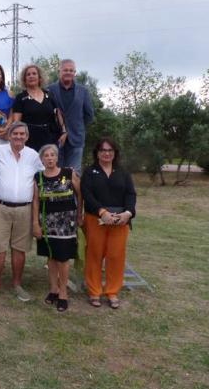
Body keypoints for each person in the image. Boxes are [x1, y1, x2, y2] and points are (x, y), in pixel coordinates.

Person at [0, 122, 44, 303]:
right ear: (9, 135)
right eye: (15, 133)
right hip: (0, 207)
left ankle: (17, 285)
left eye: (22, 134)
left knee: (20, 249)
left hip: (24, 209)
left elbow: (44, 176)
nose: (18, 137)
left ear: (27, 137)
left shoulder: (33, 155)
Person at [81, 138, 136, 310]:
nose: (106, 153)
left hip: (120, 221)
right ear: (97, 153)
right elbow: (87, 195)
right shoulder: (90, 172)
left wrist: (128, 213)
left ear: (115, 153)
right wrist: (102, 212)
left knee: (116, 256)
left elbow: (130, 194)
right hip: (96, 219)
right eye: (103, 150)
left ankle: (112, 292)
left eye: (110, 150)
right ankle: (94, 291)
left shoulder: (123, 173)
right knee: (94, 255)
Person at [32, 144, 82, 312]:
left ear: (57, 157)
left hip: (66, 224)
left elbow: (80, 194)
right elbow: (36, 202)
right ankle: (53, 289)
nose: (50, 158)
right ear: (42, 159)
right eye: (46, 155)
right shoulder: (38, 177)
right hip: (47, 224)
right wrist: (35, 224)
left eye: (53, 155)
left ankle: (63, 293)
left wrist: (80, 214)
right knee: (51, 257)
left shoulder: (68, 173)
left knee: (63, 259)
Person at [48, 59, 95, 175]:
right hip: (55, 139)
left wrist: (78, 127)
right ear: (59, 71)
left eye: (71, 70)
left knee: (74, 173)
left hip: (77, 139)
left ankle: (73, 194)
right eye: (65, 70)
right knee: (55, 172)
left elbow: (89, 114)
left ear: (75, 73)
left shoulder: (83, 91)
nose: (68, 72)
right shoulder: (49, 90)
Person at [12, 64, 67, 152]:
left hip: (50, 138)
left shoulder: (50, 95)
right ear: (24, 79)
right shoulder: (20, 98)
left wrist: (64, 132)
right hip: (29, 140)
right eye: (28, 74)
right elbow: (16, 123)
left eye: (34, 74)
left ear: (40, 77)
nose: (31, 76)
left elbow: (58, 114)